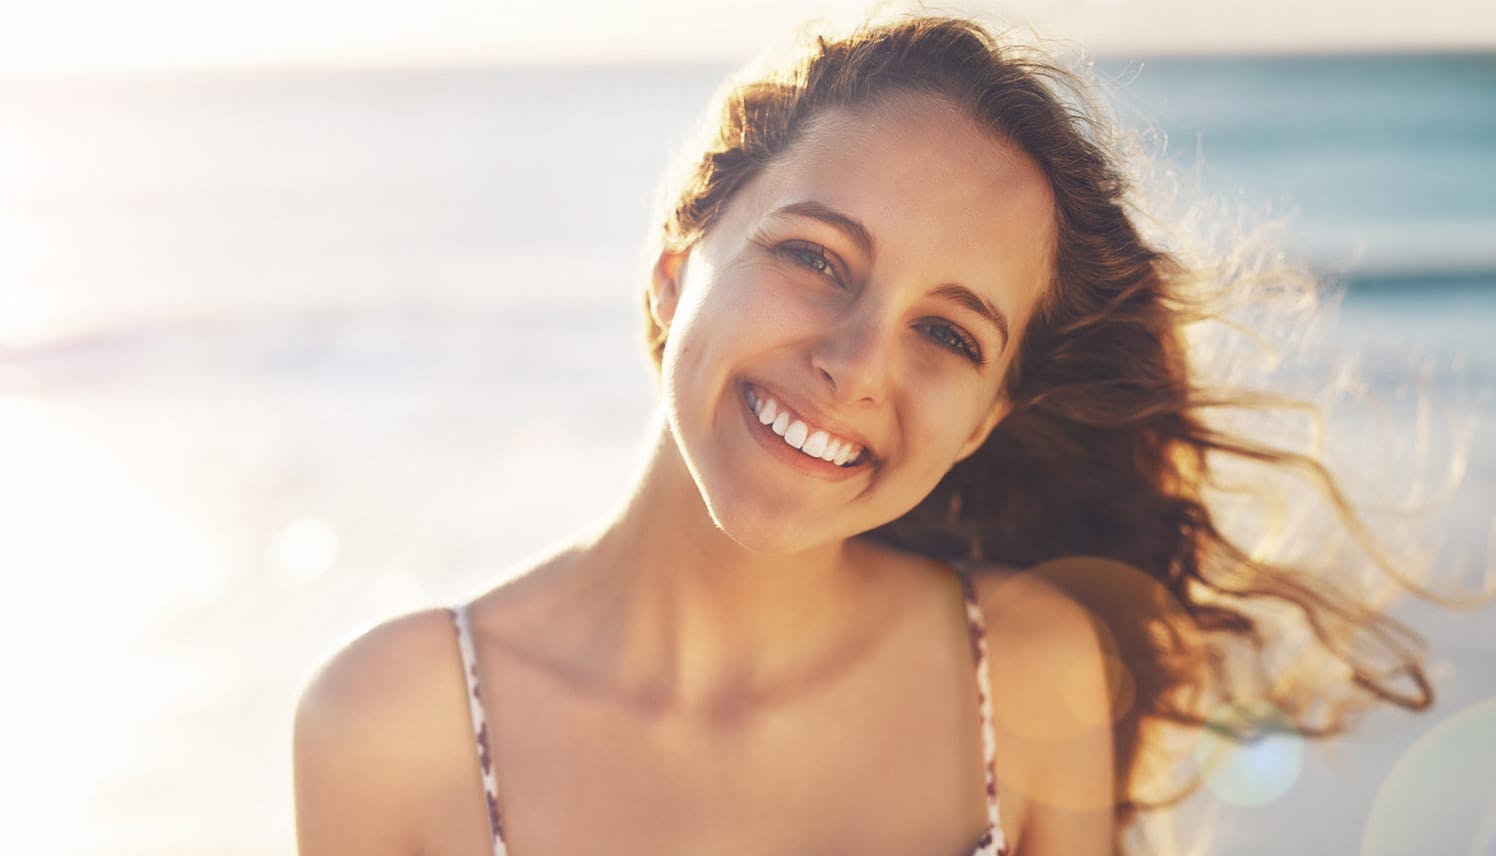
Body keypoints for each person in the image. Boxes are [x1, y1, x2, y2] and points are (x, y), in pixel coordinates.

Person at [292, 14, 1438, 856]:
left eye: (946, 331)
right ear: (671, 271)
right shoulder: (394, 722)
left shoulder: (1025, 676)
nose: (854, 363)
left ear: (985, 418)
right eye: (814, 257)